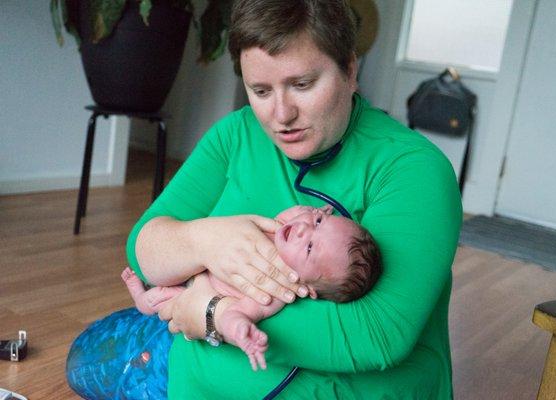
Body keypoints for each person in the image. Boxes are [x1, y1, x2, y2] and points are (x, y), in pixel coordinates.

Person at [66, 0, 462, 399]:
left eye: (303, 85)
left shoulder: (414, 169)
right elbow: (143, 250)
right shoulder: (236, 135)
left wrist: (213, 314)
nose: (281, 114)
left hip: (342, 386)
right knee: (84, 359)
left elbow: (377, 334)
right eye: (260, 90)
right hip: (196, 359)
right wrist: (205, 241)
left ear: (350, 70)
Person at [122, 204, 382, 370]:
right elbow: (295, 216)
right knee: (162, 275)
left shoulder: (276, 291)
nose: (303, 229)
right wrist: (314, 214)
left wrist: (240, 332)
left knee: (157, 299)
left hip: (189, 292)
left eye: (310, 247)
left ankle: (138, 296)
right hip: (192, 263)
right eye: (318, 223)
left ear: (307, 287)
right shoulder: (285, 228)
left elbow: (237, 313)